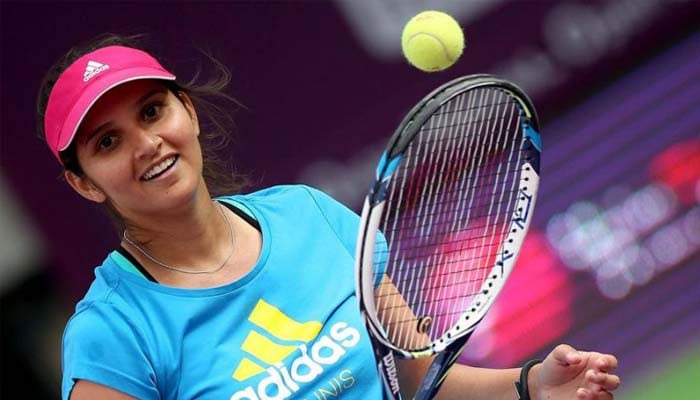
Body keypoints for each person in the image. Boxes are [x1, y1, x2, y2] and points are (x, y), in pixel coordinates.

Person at [38, 34, 620, 400]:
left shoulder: (307, 214)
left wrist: (531, 386)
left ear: (186, 111)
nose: (146, 144)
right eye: (108, 141)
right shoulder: (112, 334)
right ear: (83, 183)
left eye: (152, 111)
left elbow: (424, 383)